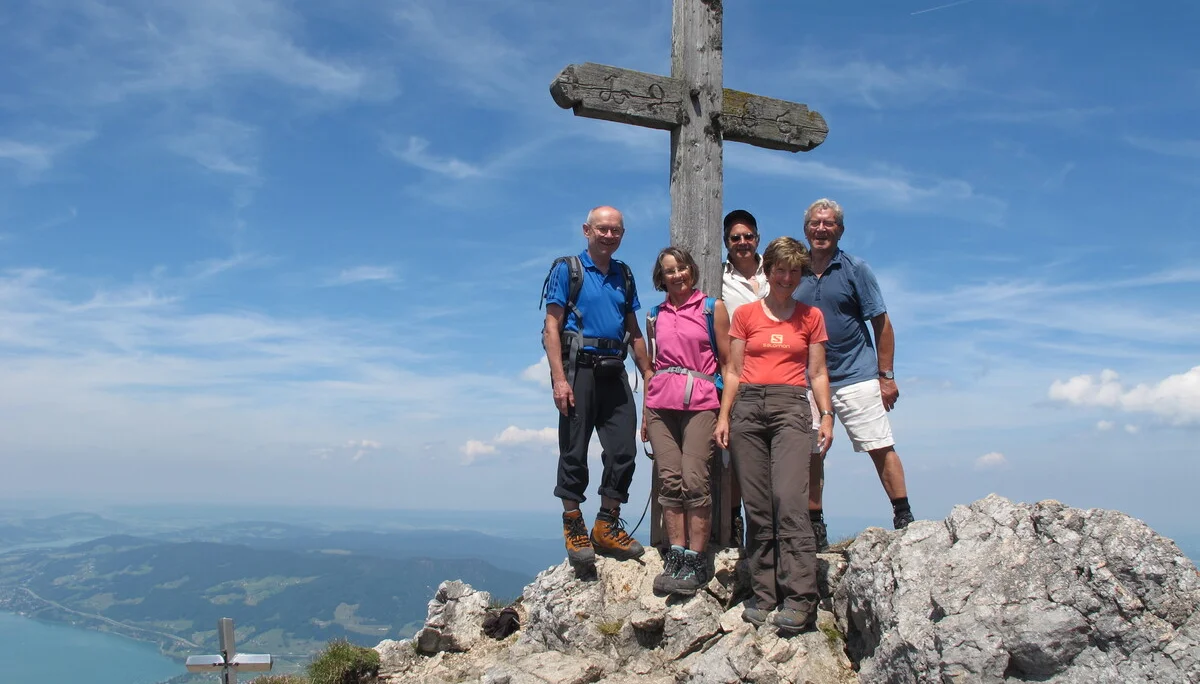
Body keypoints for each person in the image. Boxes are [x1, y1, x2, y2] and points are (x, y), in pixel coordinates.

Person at [715, 237, 834, 634]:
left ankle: (800, 596)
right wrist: (724, 415)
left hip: (790, 407)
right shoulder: (746, 315)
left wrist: (828, 415)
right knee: (758, 504)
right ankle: (764, 595)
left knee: (789, 498)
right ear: (768, 272)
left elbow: (817, 373)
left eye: (794, 270)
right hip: (747, 406)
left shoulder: (810, 316)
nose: (786, 277)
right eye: (780, 269)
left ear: (800, 274)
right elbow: (733, 369)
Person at [794, 198, 914, 552]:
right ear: (806, 230)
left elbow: (882, 322)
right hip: (809, 379)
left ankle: (903, 515)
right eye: (815, 223)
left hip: (857, 374)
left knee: (879, 444)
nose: (821, 229)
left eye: (829, 223)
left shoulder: (855, 269)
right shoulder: (794, 270)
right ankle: (815, 526)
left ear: (840, 230)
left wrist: (886, 375)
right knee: (811, 453)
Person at [543, 206, 654, 567]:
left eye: (616, 230)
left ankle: (606, 526)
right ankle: (574, 524)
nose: (609, 235)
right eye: (602, 229)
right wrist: (559, 379)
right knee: (574, 448)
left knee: (624, 450)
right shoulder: (568, 270)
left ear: (622, 235)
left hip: (614, 368)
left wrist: (649, 373)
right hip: (580, 369)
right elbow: (551, 328)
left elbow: (634, 330)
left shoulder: (624, 274)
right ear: (586, 231)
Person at [642, 246, 730, 596]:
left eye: (681, 268)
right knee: (668, 479)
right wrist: (645, 416)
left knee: (695, 478)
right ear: (660, 277)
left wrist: (725, 414)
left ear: (691, 270)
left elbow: (728, 363)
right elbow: (651, 367)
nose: (676, 275)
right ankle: (675, 556)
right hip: (660, 404)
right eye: (668, 270)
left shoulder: (712, 308)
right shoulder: (654, 315)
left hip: (702, 400)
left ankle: (696, 558)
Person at [719, 209, 769, 547]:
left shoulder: (776, 270)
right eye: (735, 238)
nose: (742, 242)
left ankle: (783, 526)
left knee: (787, 454)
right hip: (739, 374)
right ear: (726, 243)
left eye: (747, 236)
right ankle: (736, 523)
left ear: (757, 238)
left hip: (783, 371)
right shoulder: (717, 278)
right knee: (739, 454)